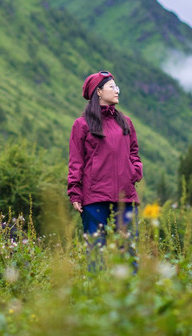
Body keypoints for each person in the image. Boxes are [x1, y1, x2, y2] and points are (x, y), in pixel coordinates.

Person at [67, 70, 143, 269]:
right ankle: (95, 297)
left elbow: (134, 152)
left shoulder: (126, 122)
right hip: (94, 198)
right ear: (98, 92)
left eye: (117, 87)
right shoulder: (81, 125)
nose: (117, 91)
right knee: (95, 252)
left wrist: (134, 171)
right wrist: (75, 192)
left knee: (128, 252)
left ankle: (130, 297)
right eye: (112, 87)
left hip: (125, 197)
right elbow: (76, 161)